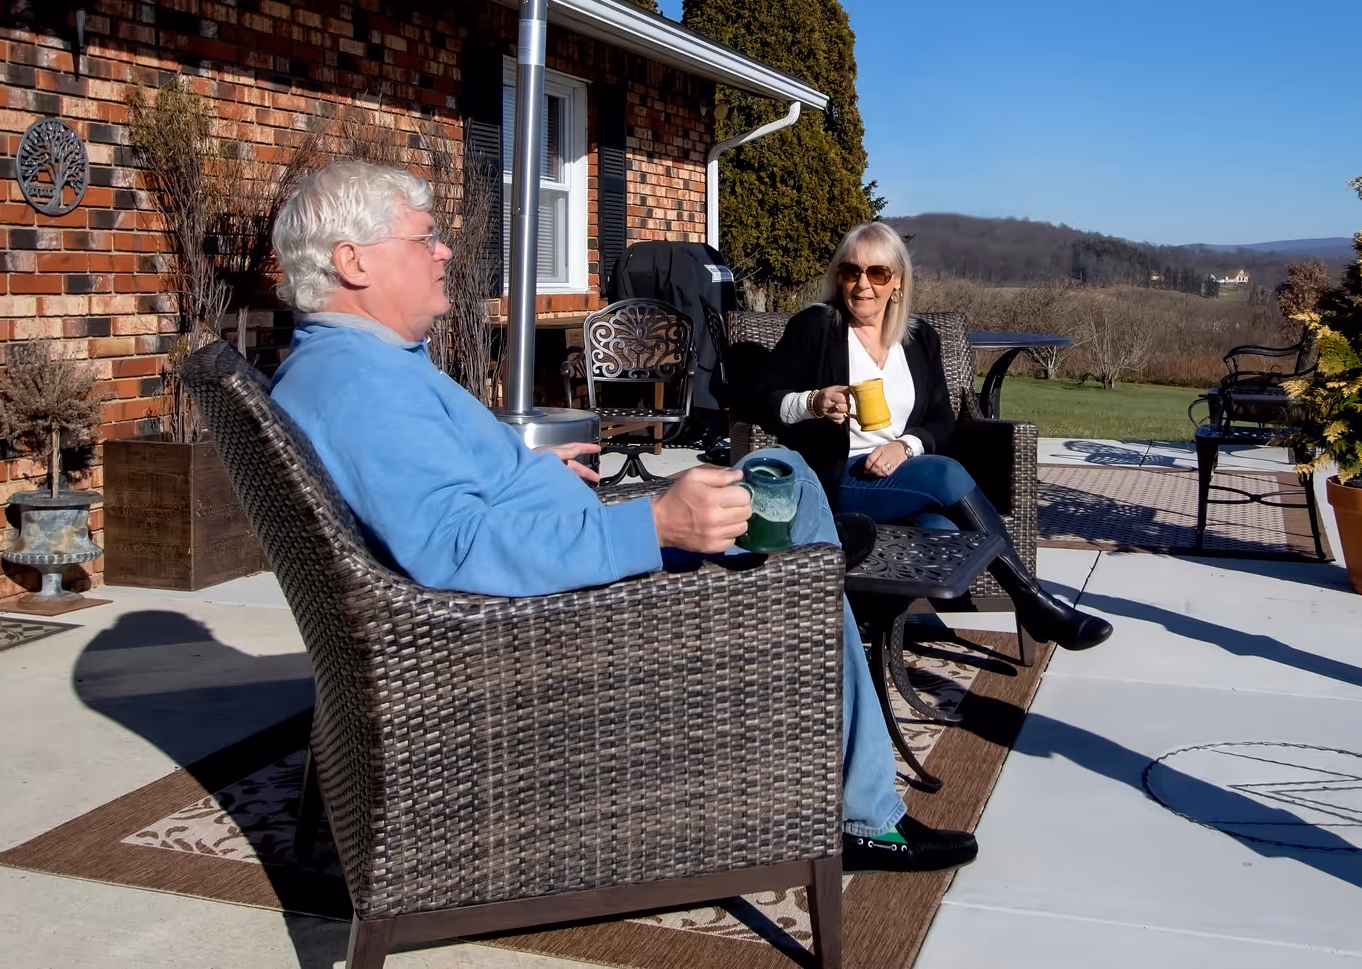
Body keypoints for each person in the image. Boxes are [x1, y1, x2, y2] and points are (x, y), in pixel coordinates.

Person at [266, 162, 976, 873]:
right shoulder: (364, 388)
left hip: (564, 563)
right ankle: (864, 809)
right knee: (793, 510)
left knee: (785, 489)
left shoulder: (353, 366)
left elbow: (442, 496)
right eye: (424, 238)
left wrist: (522, 470)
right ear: (352, 261)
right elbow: (459, 547)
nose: (443, 251)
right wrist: (656, 525)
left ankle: (815, 553)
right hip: (579, 617)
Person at [753, 221, 1114, 651]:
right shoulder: (816, 326)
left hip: (900, 476)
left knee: (942, 527)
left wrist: (905, 446)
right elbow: (760, 398)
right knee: (945, 475)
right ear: (839, 277)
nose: (863, 284)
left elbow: (943, 417)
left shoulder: (920, 337)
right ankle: (1033, 602)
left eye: (877, 273)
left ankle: (870, 621)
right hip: (838, 476)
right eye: (851, 272)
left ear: (898, 282)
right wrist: (812, 402)